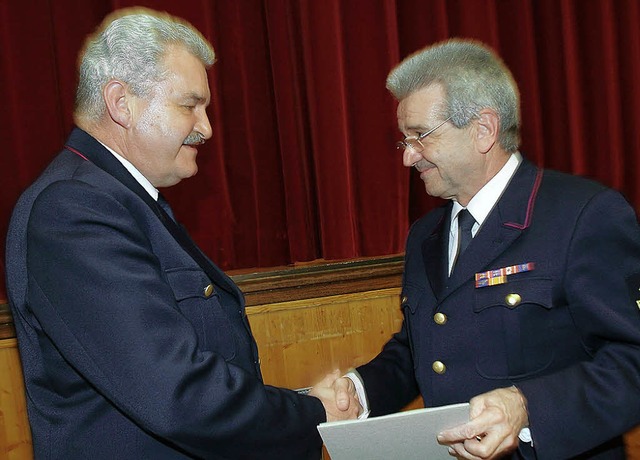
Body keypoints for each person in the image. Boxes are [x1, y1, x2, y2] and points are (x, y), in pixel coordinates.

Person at [4, 8, 359, 459]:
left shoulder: (122, 199)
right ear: (121, 103)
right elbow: (175, 392)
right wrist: (312, 414)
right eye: (189, 105)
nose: (207, 128)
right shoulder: (75, 209)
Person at [344, 39, 640, 459]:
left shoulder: (582, 215)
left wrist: (529, 408)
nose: (408, 157)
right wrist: (358, 390)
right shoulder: (425, 234)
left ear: (484, 129)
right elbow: (422, 349)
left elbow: (633, 360)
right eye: (404, 140)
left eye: (421, 137)